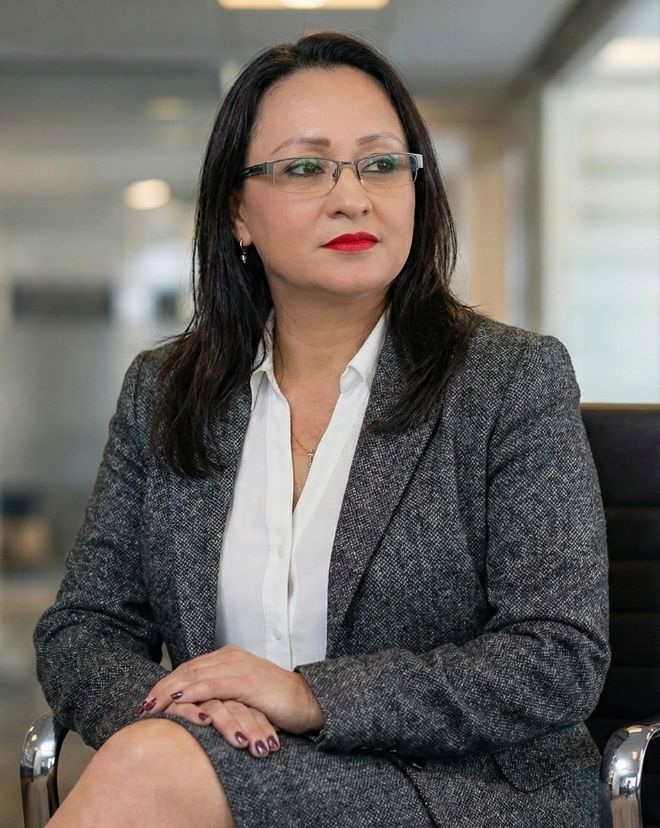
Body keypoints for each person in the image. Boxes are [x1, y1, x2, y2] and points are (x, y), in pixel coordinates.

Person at [33, 31, 610, 828]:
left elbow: (557, 656)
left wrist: (310, 696)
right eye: (306, 168)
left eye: (381, 164)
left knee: (149, 773)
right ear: (237, 211)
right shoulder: (165, 392)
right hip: (225, 768)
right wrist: (184, 710)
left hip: (462, 792)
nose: (352, 198)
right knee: (154, 761)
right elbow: (83, 628)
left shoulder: (510, 380)